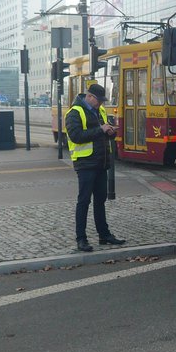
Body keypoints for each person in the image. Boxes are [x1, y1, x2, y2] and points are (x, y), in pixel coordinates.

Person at [65, 83, 125, 252]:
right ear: (89, 97)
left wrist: (111, 132)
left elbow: (103, 134)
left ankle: (104, 235)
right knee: (83, 201)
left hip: (101, 162)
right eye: (99, 101)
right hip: (85, 164)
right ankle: (81, 239)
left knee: (100, 201)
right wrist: (100, 130)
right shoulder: (74, 113)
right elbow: (76, 136)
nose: (101, 104)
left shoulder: (100, 111)